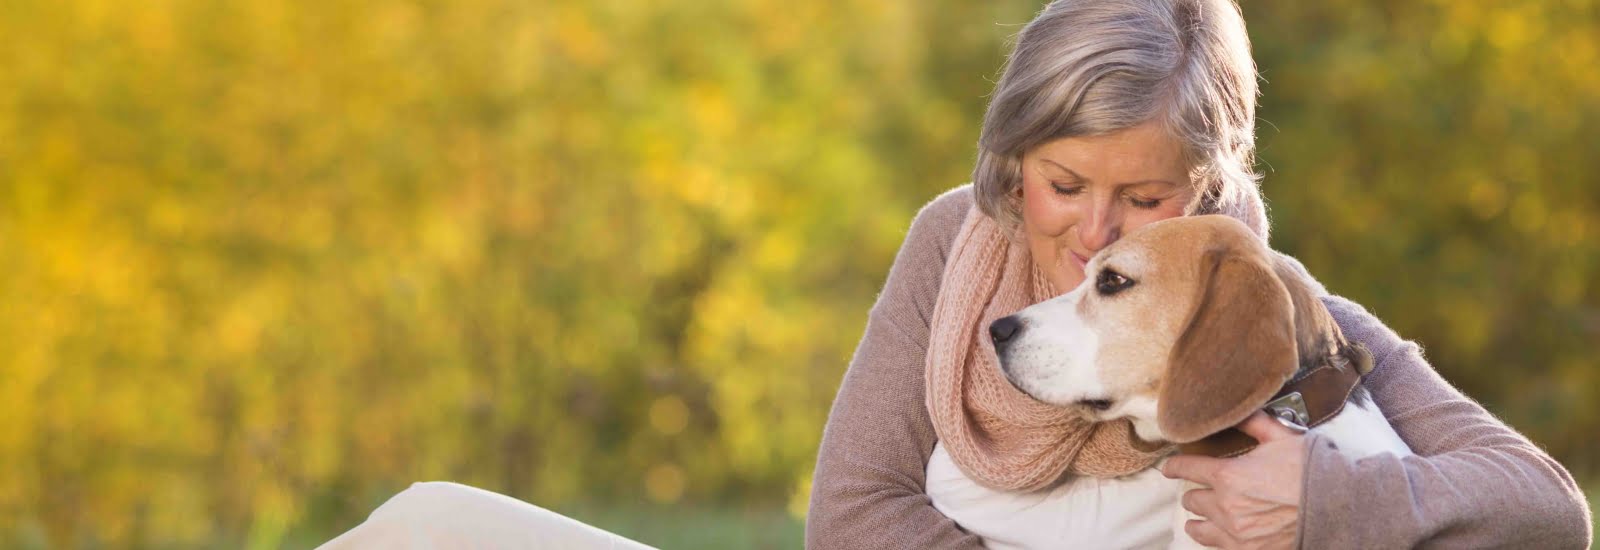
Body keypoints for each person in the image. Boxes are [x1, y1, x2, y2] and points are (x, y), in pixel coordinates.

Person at [804, 0, 1594, 548]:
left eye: (1146, 198)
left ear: (1207, 187)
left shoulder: (1286, 325)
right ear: (1012, 164)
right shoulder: (952, 249)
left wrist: (1328, 506)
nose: (1095, 231)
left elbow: (1546, 511)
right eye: (1065, 185)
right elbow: (852, 513)